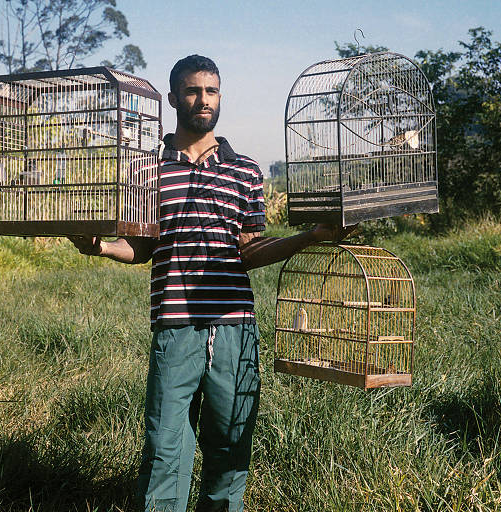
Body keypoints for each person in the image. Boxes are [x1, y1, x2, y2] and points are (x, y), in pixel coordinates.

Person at [69, 55, 355, 512]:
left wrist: (309, 237)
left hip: (234, 326)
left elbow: (249, 248)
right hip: (175, 324)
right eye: (192, 91)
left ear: (220, 97)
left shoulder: (244, 169)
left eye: (211, 91)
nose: (203, 100)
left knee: (230, 442)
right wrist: (101, 247)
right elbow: (141, 248)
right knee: (165, 443)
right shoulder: (145, 170)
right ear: (173, 97)